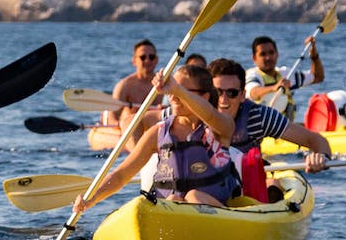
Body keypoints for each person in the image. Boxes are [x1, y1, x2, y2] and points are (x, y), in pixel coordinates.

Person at [74, 65, 240, 213]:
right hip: (171, 212)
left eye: (182, 91)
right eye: (171, 91)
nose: (173, 97)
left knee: (193, 196)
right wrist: (93, 198)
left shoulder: (220, 128)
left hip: (216, 214)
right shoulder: (158, 133)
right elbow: (122, 174)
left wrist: (177, 89)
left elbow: (210, 114)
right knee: (174, 200)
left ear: (204, 97)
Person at [209, 58, 331, 173]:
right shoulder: (195, 115)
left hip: (244, 183)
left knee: (274, 184)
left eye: (231, 93)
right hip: (206, 186)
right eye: (217, 92)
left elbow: (316, 140)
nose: (223, 99)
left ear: (242, 96)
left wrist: (321, 157)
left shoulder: (259, 116)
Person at [244, 35, 324, 121]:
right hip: (261, 129)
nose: (268, 58)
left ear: (277, 54)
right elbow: (253, 92)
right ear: (254, 58)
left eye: (271, 53)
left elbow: (317, 77)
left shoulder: (286, 74)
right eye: (263, 54)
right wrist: (274, 88)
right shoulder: (252, 75)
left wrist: (314, 56)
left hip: (287, 128)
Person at [105, 39, 164, 128]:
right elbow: (112, 117)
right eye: (143, 57)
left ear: (156, 60)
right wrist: (119, 125)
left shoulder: (165, 83)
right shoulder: (125, 85)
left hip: (156, 128)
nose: (147, 61)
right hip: (131, 129)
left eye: (151, 57)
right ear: (134, 61)